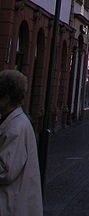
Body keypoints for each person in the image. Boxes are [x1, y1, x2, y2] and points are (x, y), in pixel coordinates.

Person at [0, 70, 42, 216]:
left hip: (12, 203)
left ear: (6, 98)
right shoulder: (15, 121)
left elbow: (6, 170)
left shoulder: (15, 128)